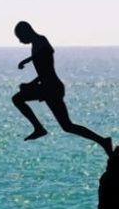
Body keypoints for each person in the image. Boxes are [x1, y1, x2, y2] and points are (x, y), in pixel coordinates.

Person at [12, 21, 113, 155]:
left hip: (51, 88)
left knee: (18, 99)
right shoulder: (38, 43)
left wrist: (30, 81)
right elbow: (44, 61)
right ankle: (103, 141)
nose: (20, 41)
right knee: (67, 126)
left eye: (20, 37)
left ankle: (39, 128)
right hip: (48, 87)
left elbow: (46, 68)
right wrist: (28, 64)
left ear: (27, 31)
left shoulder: (40, 41)